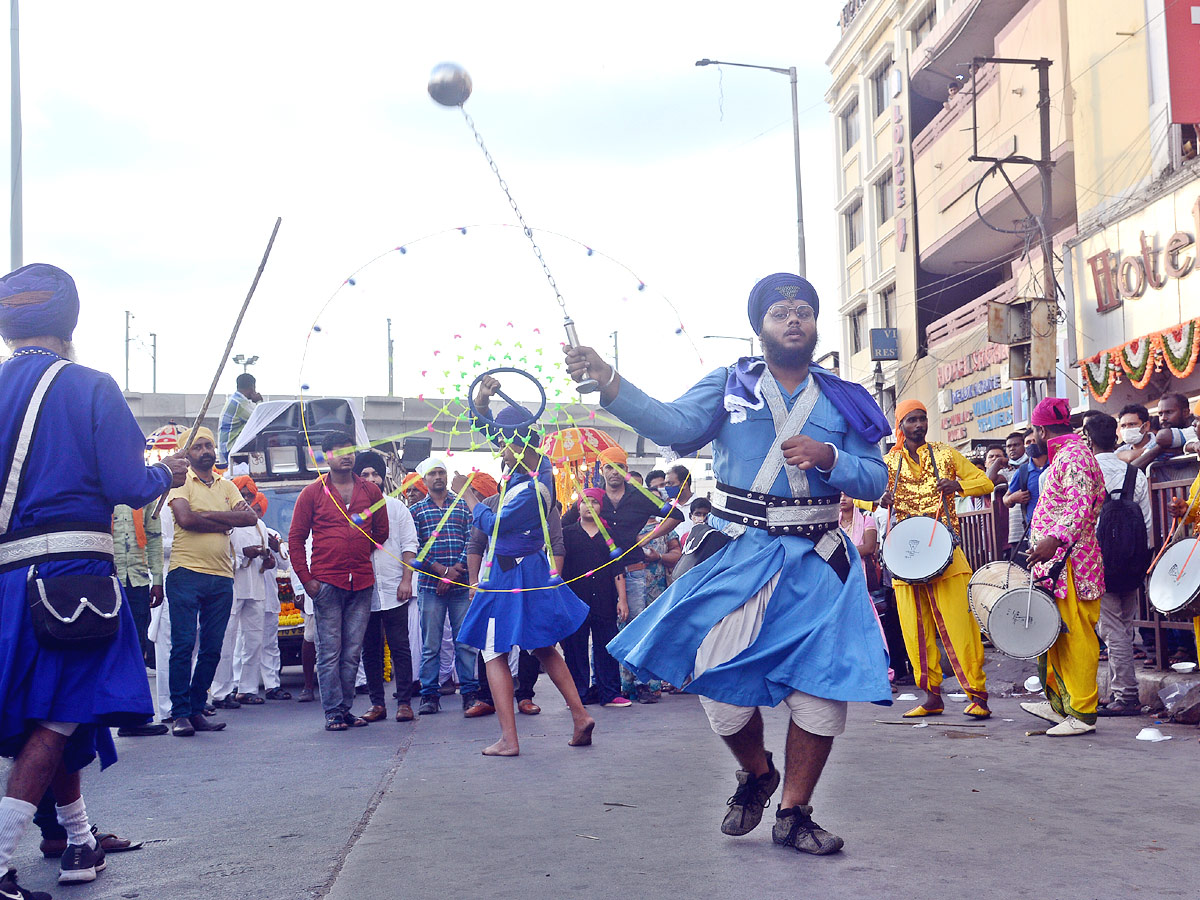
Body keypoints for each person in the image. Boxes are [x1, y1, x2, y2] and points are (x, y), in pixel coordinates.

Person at [566, 272, 892, 856]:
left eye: (803, 311)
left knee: (820, 695)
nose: (794, 320)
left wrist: (831, 457)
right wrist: (610, 380)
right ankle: (757, 772)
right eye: (780, 312)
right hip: (737, 556)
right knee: (719, 691)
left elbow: (875, 476)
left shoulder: (845, 398)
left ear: (816, 324)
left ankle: (794, 813)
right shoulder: (730, 385)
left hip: (818, 565)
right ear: (759, 327)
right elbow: (673, 425)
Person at [0, 263, 189, 896]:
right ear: (68, 323)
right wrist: (174, 471)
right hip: (70, 574)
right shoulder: (89, 386)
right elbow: (130, 488)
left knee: (60, 709)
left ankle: (76, 841)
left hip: (4, 580)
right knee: (56, 715)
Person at [451, 404, 594, 757]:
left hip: (508, 573)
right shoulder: (537, 468)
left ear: (517, 444)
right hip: (528, 569)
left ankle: (509, 740)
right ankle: (579, 716)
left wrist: (467, 494)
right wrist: (481, 407)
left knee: (492, 650)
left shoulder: (532, 488)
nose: (499, 448)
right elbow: (502, 436)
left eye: (504, 443)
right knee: (543, 645)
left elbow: (492, 524)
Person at [879, 401, 993, 719]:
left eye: (923, 419)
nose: (919, 425)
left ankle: (978, 697)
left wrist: (959, 486)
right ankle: (931, 697)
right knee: (916, 633)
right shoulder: (889, 462)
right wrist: (879, 496)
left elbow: (985, 482)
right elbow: (862, 492)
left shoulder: (945, 453)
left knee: (960, 628)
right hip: (907, 558)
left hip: (947, 557)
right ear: (900, 426)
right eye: (912, 420)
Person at [1019, 398, 1108, 736]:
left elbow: (1081, 505)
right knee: (1055, 632)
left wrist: (1054, 538)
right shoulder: (1066, 455)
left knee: (1077, 635)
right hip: (1057, 561)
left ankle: (1083, 712)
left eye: (1033, 431)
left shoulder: (1073, 456)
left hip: (1072, 561)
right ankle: (1060, 703)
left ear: (1041, 429)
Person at [289, 432, 389, 732]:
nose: (347, 456)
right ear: (326, 457)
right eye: (339, 451)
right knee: (329, 651)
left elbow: (380, 533)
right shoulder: (312, 493)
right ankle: (333, 711)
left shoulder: (370, 492)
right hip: (325, 583)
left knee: (352, 651)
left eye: (351, 451)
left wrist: (355, 552)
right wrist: (307, 581)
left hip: (361, 582)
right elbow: (296, 539)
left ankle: (344, 710)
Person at [166, 426, 259, 736]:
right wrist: (222, 519)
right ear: (187, 454)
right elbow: (185, 519)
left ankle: (195, 710)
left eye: (208, 445)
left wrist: (205, 515)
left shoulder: (227, 485)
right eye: (198, 447)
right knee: (182, 645)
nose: (205, 451)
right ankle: (179, 713)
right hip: (185, 573)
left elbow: (249, 518)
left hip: (221, 576)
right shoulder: (180, 482)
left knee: (212, 648)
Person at [590, 446, 684, 703]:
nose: (614, 472)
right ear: (602, 470)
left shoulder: (640, 495)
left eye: (619, 467)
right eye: (609, 467)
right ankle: (605, 684)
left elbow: (676, 515)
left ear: (626, 471)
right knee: (603, 628)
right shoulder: (595, 498)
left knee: (636, 625)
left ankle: (643, 684)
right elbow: (570, 523)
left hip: (632, 570)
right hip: (600, 573)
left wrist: (650, 537)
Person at [1084, 414, 1151, 718]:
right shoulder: (1135, 474)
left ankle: (1126, 695)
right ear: (1117, 438)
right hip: (1133, 560)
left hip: (1099, 562)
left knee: (1112, 632)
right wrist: (1142, 560)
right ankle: (1118, 692)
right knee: (1124, 627)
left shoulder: (1085, 472)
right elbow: (1147, 523)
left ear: (1088, 439)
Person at [465, 471, 546, 717]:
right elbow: (477, 544)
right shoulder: (489, 504)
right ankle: (486, 697)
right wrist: (473, 581)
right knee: (491, 643)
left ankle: (525, 695)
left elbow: (556, 542)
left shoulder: (537, 495)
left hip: (531, 577)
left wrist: (467, 493)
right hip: (497, 577)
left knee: (535, 642)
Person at [409, 457, 482, 716]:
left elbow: (472, 540)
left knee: (465, 641)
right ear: (425, 479)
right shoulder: (416, 512)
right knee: (431, 644)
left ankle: (470, 693)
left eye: (441, 472)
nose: (438, 477)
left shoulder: (462, 506)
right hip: (430, 587)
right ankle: (429, 695)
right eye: (433, 473)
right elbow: (415, 548)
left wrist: (453, 574)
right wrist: (441, 572)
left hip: (460, 585)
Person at [353, 451, 418, 724]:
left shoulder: (397, 508)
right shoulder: (350, 510)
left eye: (375, 474)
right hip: (364, 590)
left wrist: (406, 581)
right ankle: (377, 704)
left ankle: (404, 702)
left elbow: (409, 547)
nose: (371, 479)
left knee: (400, 645)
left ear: (383, 477)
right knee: (370, 648)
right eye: (365, 474)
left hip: (394, 588)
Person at [562, 489, 631, 708]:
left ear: (601, 507)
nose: (589, 506)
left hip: (605, 599)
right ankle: (578, 695)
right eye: (585, 502)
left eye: (595, 502)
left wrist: (622, 599)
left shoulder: (611, 535)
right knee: (575, 649)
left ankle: (610, 693)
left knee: (606, 646)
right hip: (575, 600)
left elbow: (617, 569)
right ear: (578, 507)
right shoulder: (567, 534)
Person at [209, 476, 274, 708]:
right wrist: (246, 554)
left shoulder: (260, 525)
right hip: (231, 587)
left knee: (254, 641)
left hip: (255, 586)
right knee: (226, 641)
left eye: (249, 496)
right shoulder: (224, 523)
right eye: (242, 495)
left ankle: (246, 689)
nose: (246, 500)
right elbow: (219, 556)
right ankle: (220, 691)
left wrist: (267, 559)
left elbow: (267, 558)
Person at [111, 501, 162, 670]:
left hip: (138, 579)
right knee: (109, 636)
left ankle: (134, 684)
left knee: (137, 637)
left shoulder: (144, 495)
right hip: (107, 579)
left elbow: (154, 538)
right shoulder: (103, 491)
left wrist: (157, 580)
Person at [1004, 431, 1048, 549]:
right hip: (1034, 533)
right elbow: (1006, 499)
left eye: (1034, 441)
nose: (1032, 444)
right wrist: (1013, 498)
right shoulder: (1022, 471)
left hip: (1057, 531)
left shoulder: (1056, 464)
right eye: (1028, 442)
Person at [993, 432, 1028, 559]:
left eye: (1016, 445)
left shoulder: (1032, 465)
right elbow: (989, 480)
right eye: (1009, 446)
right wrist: (998, 461)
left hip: (1033, 528)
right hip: (1016, 532)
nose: (1012, 448)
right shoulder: (1007, 471)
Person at [217, 372, 262, 466]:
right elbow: (260, 420)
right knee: (263, 437)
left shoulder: (234, 399)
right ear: (252, 387)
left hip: (226, 449)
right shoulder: (240, 403)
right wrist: (259, 401)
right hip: (230, 449)